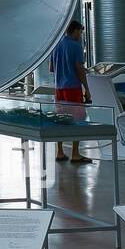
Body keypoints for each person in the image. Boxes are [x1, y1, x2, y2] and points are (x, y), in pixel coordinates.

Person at [50, 20, 90, 163]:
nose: (80, 35)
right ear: (75, 31)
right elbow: (79, 68)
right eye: (80, 32)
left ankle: (60, 152)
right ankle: (75, 153)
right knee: (78, 119)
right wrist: (87, 89)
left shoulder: (56, 45)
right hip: (73, 88)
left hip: (59, 89)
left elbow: (51, 68)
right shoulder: (76, 46)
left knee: (60, 120)